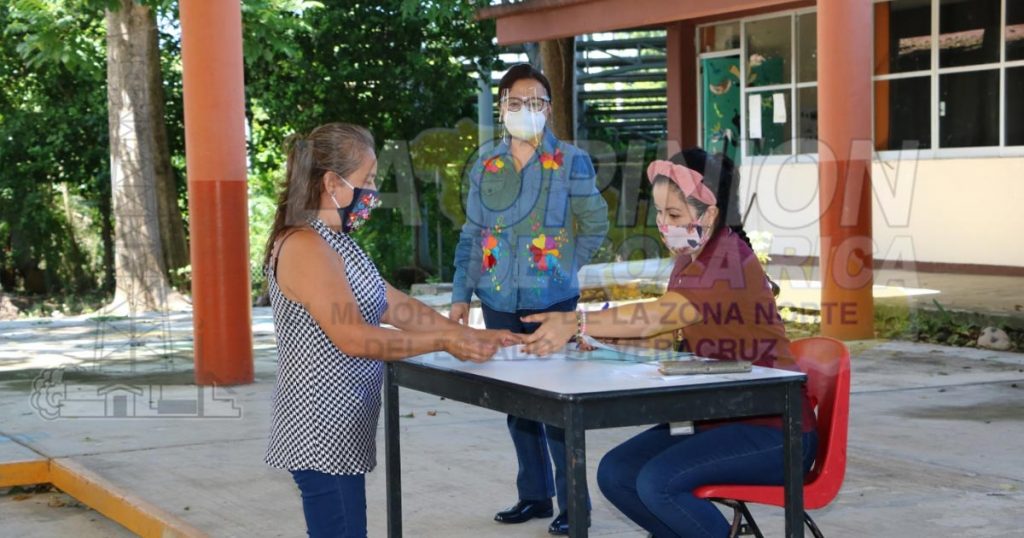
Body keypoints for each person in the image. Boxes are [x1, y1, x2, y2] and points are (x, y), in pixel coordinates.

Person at [521, 148, 819, 537]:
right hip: (719, 416)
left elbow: (664, 314)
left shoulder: (727, 260)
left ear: (709, 213)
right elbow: (665, 335)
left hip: (776, 428)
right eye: (660, 213)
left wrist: (579, 320)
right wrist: (595, 334)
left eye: (674, 215)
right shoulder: (690, 257)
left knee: (657, 483)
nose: (663, 224)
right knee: (617, 473)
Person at [263, 122, 520, 538]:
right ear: (331, 182)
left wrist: (471, 334)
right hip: (319, 432)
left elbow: (397, 306)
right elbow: (354, 337)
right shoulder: (306, 245)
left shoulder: (338, 242)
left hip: (342, 429)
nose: (373, 193)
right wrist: (443, 340)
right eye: (366, 181)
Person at [448, 63, 609, 535]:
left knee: (561, 410)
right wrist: (462, 293)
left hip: (553, 304)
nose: (527, 110)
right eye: (516, 102)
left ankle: (573, 507)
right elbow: (473, 233)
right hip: (497, 298)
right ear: (502, 109)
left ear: (549, 108)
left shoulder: (572, 160)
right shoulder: (486, 164)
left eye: (536, 101)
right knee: (518, 406)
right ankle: (535, 497)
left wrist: (563, 268)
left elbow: (595, 223)